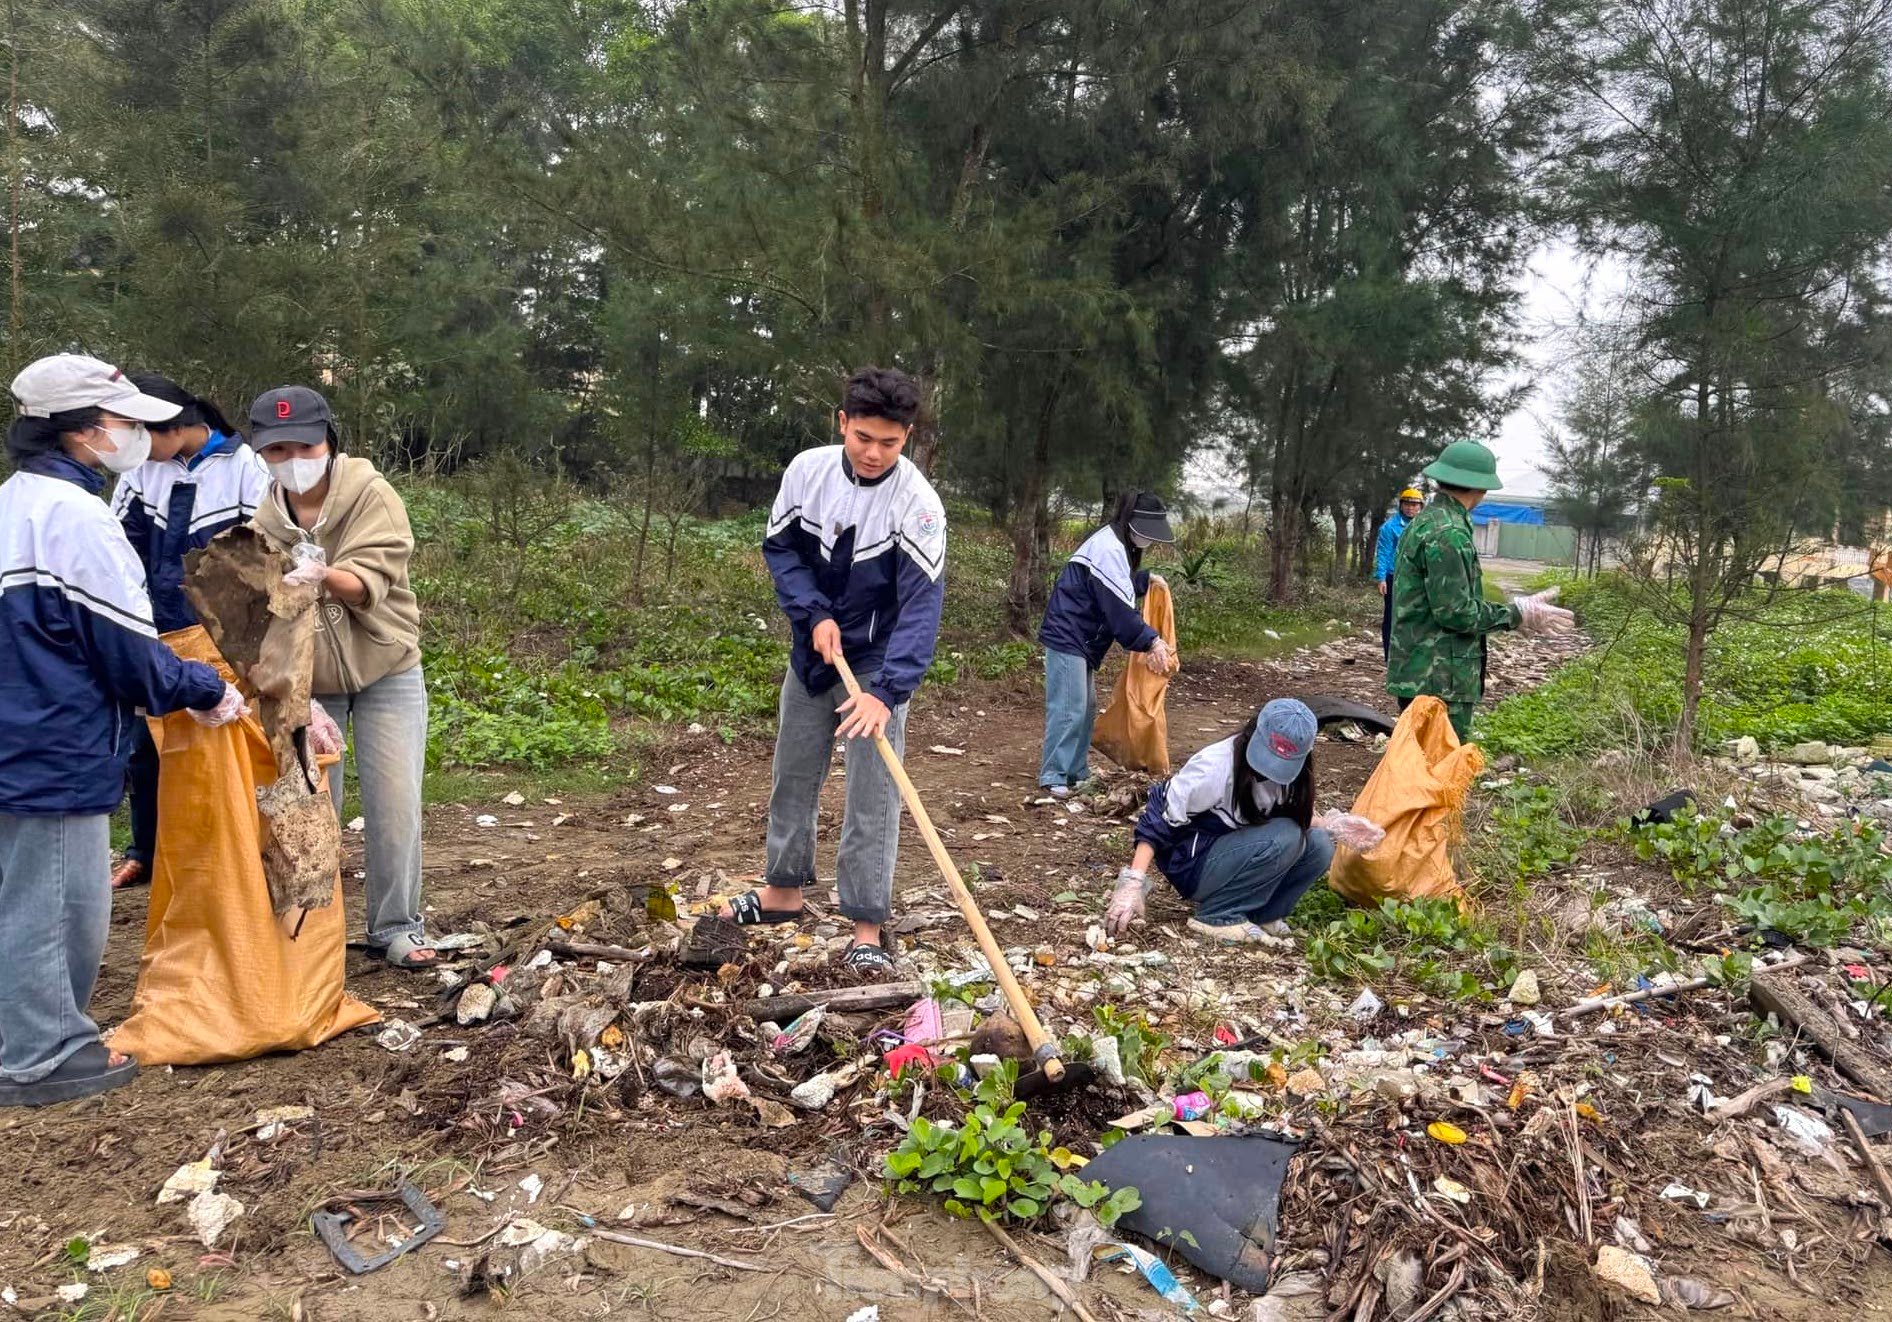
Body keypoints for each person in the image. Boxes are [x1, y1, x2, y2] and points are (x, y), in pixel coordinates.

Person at [0, 353, 246, 1106]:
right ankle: (42, 1054)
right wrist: (205, 688)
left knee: (20, 892)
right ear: (83, 431)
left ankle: (28, 1031)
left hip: (22, 730)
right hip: (53, 742)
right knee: (54, 902)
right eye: (125, 422)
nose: (137, 434)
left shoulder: (16, 501)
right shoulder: (75, 518)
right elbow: (126, 652)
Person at [719, 366, 946, 977]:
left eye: (890, 443)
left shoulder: (919, 507)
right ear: (842, 423)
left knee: (873, 790)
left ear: (908, 438)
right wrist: (811, 612)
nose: (874, 453)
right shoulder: (806, 472)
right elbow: (782, 549)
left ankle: (868, 924)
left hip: (877, 660)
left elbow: (921, 609)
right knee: (793, 768)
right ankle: (783, 891)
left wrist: (887, 693)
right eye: (863, 437)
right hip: (813, 646)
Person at [249, 386, 436, 970]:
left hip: (387, 670)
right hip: (310, 684)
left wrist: (324, 574)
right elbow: (261, 612)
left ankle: (398, 926)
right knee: (306, 807)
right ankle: (310, 936)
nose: (292, 458)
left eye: (303, 444)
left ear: (329, 440)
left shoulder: (371, 495)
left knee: (395, 803)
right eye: (276, 448)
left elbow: (368, 582)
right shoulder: (265, 516)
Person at [107, 375, 270, 890]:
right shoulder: (138, 471)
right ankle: (145, 850)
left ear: (177, 427)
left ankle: (226, 851)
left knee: (224, 736)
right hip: (151, 625)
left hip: (219, 631)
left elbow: (260, 554)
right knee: (146, 743)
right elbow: (117, 542)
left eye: (143, 431)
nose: (134, 443)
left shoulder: (246, 468)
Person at [1104, 699, 1362, 945]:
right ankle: (1218, 916)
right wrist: (1134, 882)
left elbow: (1294, 817)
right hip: (1193, 862)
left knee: (1319, 844)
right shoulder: (1215, 766)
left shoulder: (1295, 779)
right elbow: (1159, 816)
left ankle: (1265, 915)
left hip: (1235, 849)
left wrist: (1334, 825)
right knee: (1287, 835)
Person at [1386, 440, 1573, 742]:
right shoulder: (1450, 534)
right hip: (1439, 679)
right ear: (1480, 488)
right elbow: (1457, 613)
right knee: (1438, 774)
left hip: (1420, 671)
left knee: (1416, 769)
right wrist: (1517, 614)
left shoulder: (1426, 521)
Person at [1037, 492, 1176, 796]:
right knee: (1069, 708)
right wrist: (1151, 641)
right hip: (1068, 634)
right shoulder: (1109, 547)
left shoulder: (1114, 543)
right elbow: (1118, 610)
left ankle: (1075, 772)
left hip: (1081, 637)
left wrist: (1145, 579)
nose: (1150, 541)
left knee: (1086, 708)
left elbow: (1112, 586)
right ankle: (1054, 774)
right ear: (1134, 524)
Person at [1374, 486, 1425, 661]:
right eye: (1407, 504)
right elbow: (1383, 552)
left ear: (1421, 507)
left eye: (1415, 504)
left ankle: (1411, 653)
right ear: (1401, 506)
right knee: (1392, 616)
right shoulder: (1389, 527)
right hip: (1394, 576)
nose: (1411, 508)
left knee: (1416, 616)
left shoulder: (1424, 526)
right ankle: (1390, 655)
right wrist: (1381, 578)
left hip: (1418, 577)